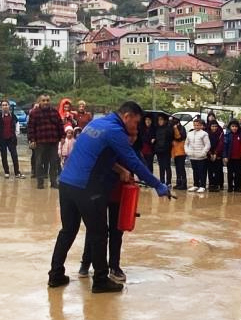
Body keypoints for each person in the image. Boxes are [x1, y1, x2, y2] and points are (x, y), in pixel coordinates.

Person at [48, 101, 171, 294]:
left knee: (68, 230)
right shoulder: (115, 131)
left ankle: (55, 275)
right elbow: (135, 163)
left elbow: (96, 154)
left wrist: (119, 168)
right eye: (135, 122)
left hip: (66, 183)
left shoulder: (96, 124)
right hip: (86, 186)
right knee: (99, 233)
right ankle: (100, 280)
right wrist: (158, 185)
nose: (135, 127)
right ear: (127, 116)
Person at [27, 93, 64, 189]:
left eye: (47, 100)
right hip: (40, 141)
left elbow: (60, 125)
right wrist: (32, 140)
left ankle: (53, 182)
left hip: (53, 140)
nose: (46, 102)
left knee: (53, 162)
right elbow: (31, 128)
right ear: (39, 101)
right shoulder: (34, 113)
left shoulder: (54, 112)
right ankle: (40, 182)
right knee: (39, 162)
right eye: (43, 100)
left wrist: (63, 137)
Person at [0, 99, 24, 179]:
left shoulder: (13, 116)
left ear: (9, 106)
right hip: (2, 139)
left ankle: (17, 172)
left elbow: (17, 126)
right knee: (4, 156)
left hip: (11, 138)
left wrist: (15, 135)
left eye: (6, 105)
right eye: (3, 105)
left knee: (14, 155)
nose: (5, 106)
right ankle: (6, 172)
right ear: (1, 107)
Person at [185, 118, 210, 193]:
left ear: (201, 126)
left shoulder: (204, 134)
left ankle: (202, 186)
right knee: (195, 171)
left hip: (201, 157)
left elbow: (207, 145)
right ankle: (195, 185)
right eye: (195, 125)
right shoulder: (190, 133)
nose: (196, 126)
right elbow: (186, 144)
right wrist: (187, 151)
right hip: (192, 156)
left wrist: (203, 153)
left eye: (198, 125)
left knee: (202, 172)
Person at [222, 119, 241, 193]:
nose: (234, 128)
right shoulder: (227, 135)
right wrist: (225, 156)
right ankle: (230, 187)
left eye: (236, 126)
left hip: (239, 158)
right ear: (230, 127)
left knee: (238, 174)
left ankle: (238, 187)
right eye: (233, 126)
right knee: (230, 174)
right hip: (230, 158)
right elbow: (225, 146)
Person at [153, 114, 173, 186]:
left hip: (166, 150)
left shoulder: (169, 128)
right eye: (159, 120)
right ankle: (162, 181)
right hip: (158, 150)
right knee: (161, 166)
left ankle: (169, 182)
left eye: (161, 119)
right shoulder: (157, 129)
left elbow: (171, 139)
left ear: (165, 120)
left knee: (167, 166)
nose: (160, 121)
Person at [206, 121, 224, 192]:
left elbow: (221, 144)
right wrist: (210, 154)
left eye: (216, 126)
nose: (214, 128)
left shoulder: (220, 133)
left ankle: (217, 184)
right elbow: (206, 143)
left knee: (218, 170)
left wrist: (216, 153)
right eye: (212, 126)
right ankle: (211, 184)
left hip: (218, 155)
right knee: (210, 170)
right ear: (210, 127)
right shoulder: (207, 133)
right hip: (209, 154)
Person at [171, 116, 188, 191]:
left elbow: (179, 137)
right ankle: (178, 183)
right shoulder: (172, 128)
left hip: (181, 151)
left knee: (181, 168)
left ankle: (183, 184)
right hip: (175, 151)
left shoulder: (181, 128)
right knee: (177, 168)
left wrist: (175, 128)